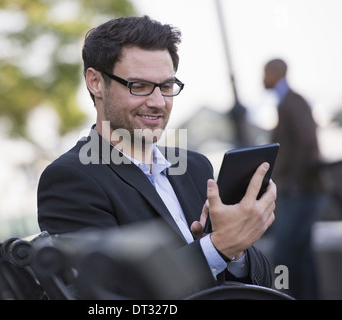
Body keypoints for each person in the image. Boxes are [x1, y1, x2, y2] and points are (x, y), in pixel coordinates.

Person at [37, 16, 276, 297]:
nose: (158, 102)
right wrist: (217, 247)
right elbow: (107, 295)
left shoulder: (196, 167)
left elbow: (263, 283)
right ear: (95, 83)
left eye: (166, 86)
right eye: (138, 86)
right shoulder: (70, 178)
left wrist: (236, 251)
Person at [263, 58, 326, 299]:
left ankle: (286, 296)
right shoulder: (288, 101)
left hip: (301, 191)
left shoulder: (292, 101)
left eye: (265, 73)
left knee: (283, 253)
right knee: (301, 253)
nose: (262, 79)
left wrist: (293, 181)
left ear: (275, 73)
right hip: (304, 190)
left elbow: (308, 142)